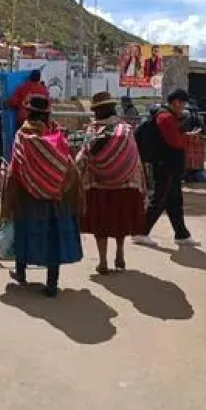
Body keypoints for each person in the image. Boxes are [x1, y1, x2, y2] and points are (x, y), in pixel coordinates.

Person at [1, 95, 83, 297]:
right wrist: (58, 184)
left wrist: (12, 193)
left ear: (29, 112)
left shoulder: (23, 135)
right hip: (58, 196)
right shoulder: (57, 133)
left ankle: (21, 273)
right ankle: (52, 284)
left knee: (26, 232)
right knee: (53, 237)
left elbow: (17, 167)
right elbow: (69, 164)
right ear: (47, 114)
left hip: (29, 196)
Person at [76, 92, 146, 274]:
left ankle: (103, 262)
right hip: (125, 184)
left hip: (99, 185)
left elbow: (84, 156)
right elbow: (134, 157)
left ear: (97, 111)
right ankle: (120, 253)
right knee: (120, 220)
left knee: (101, 223)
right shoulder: (126, 129)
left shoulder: (93, 130)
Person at [132, 89, 200, 249]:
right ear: (175, 102)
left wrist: (186, 135)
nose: (183, 106)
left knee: (174, 201)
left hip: (171, 165)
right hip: (166, 165)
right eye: (182, 103)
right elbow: (175, 141)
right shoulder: (165, 117)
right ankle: (141, 232)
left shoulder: (170, 116)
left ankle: (182, 234)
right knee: (160, 198)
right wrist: (189, 137)